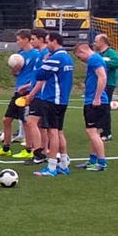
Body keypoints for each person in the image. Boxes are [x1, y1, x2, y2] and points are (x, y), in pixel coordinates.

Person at [25, 32, 74, 177]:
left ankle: (52, 167)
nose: (47, 45)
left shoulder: (56, 58)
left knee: (52, 133)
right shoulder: (68, 58)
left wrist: (46, 61)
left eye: (48, 42)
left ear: (54, 41)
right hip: (63, 99)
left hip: (52, 99)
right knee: (59, 132)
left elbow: (40, 75)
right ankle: (64, 164)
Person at [0, 30, 38, 159]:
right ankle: (6, 148)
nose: (17, 42)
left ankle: (28, 149)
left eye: (19, 39)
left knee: (26, 121)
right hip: (18, 91)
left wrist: (28, 86)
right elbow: (17, 74)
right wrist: (14, 71)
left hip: (27, 92)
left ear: (26, 39)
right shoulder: (20, 54)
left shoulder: (36, 55)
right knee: (6, 119)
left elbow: (38, 75)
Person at [73, 42, 109, 171]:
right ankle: (93, 161)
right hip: (94, 100)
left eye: (79, 57)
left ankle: (102, 163)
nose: (80, 60)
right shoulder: (95, 59)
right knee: (94, 132)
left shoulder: (94, 59)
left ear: (82, 51)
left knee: (91, 132)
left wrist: (97, 97)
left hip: (95, 102)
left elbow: (103, 77)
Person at [23, 29, 50, 165]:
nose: (31, 41)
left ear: (41, 39)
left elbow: (43, 79)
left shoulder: (45, 54)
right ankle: (43, 152)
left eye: (33, 39)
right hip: (37, 93)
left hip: (40, 95)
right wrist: (28, 86)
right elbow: (37, 77)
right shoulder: (40, 54)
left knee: (31, 122)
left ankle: (38, 153)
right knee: (40, 125)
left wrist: (32, 94)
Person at [94, 33, 118, 141]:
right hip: (100, 83)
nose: (94, 43)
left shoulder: (110, 52)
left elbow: (117, 62)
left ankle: (107, 132)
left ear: (102, 42)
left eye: (96, 41)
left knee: (105, 107)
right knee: (100, 107)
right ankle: (100, 129)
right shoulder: (99, 54)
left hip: (108, 83)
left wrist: (103, 63)